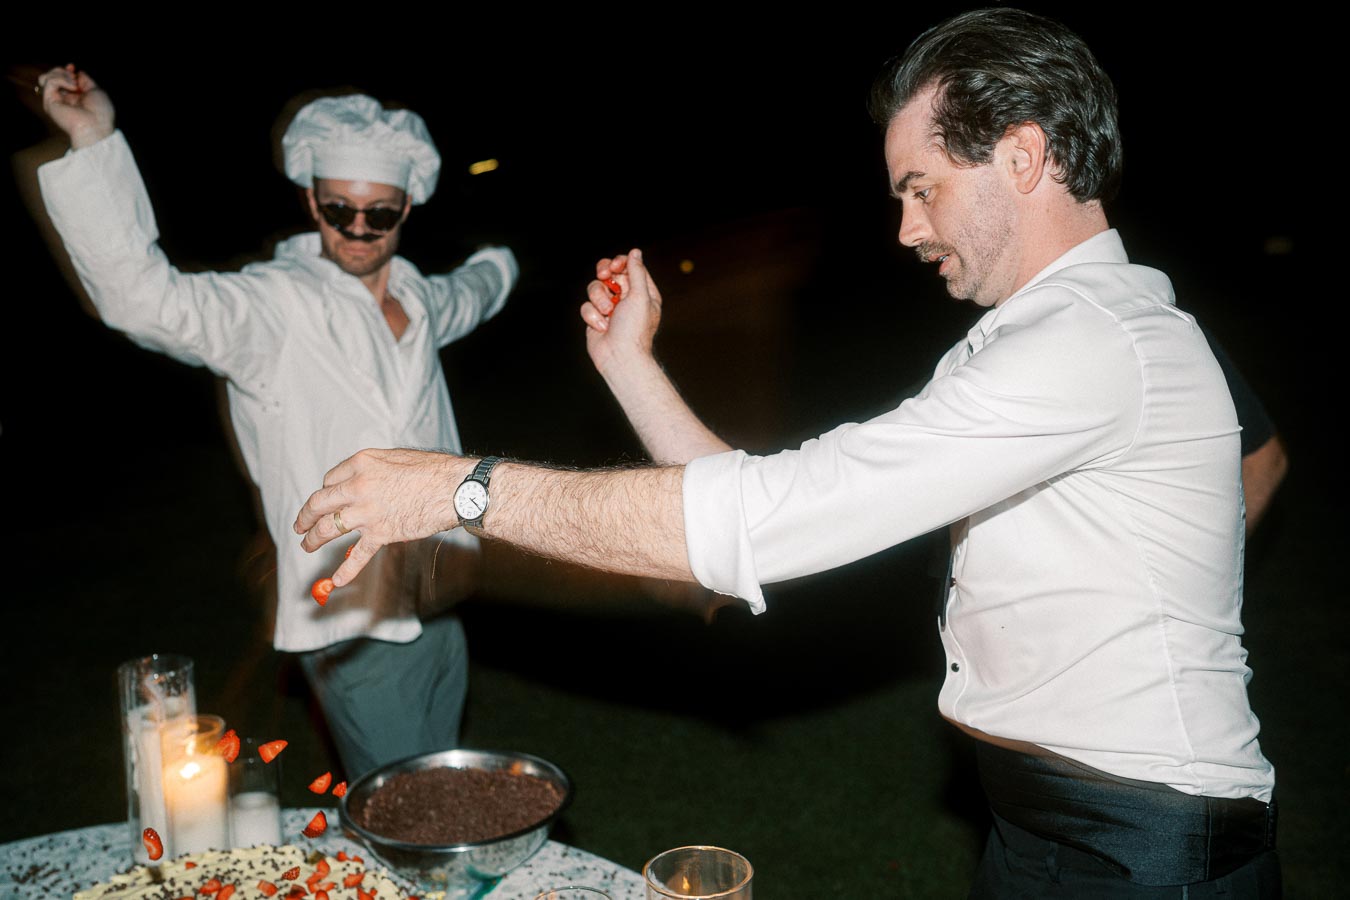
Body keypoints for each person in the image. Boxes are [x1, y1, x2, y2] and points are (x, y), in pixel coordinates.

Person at [294, 9, 1278, 896]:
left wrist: (462, 491)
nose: (906, 227)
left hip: (1147, 852)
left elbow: (760, 525)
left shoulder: (1090, 344)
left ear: (1021, 156)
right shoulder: (1043, 341)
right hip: (1039, 828)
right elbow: (768, 510)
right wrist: (631, 367)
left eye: (922, 188)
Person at [34, 66, 517, 779]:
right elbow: (142, 299)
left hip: (440, 598)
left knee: (443, 788)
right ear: (310, 199)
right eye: (336, 208)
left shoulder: (417, 296)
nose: (356, 229)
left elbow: (473, 291)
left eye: (378, 213)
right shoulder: (273, 309)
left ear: (407, 206)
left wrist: (506, 260)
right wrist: (94, 138)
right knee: (406, 813)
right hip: (353, 615)